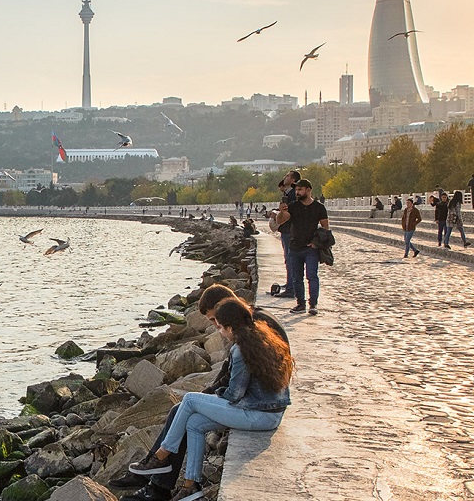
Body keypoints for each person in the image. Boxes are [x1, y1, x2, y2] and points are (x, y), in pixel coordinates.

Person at [111, 286, 287, 501]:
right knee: (193, 421)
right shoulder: (252, 329)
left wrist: (210, 397)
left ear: (228, 319)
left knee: (189, 400)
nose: (216, 329)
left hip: (258, 409)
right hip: (265, 406)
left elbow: (235, 392)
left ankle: (160, 459)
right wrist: (210, 396)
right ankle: (190, 485)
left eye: (218, 324)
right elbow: (230, 373)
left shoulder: (245, 341)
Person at [271, 179, 329, 315]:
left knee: (312, 276)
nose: (297, 192)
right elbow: (280, 221)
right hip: (294, 247)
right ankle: (300, 304)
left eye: (300, 190)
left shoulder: (319, 208)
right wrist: (281, 211)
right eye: (296, 190)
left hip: (311, 249)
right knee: (297, 278)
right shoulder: (293, 206)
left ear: (308, 190)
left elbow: (325, 228)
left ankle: (313, 304)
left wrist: (316, 243)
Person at [269, 171, 302, 299]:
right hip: (286, 230)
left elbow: (290, 212)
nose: (285, 177)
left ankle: (291, 288)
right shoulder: (287, 193)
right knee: (288, 259)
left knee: (291, 259)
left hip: (289, 231)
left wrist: (278, 214)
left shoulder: (293, 194)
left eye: (288, 176)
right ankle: (289, 284)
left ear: (293, 180)